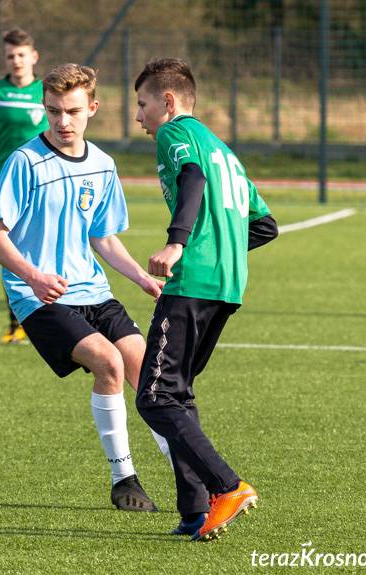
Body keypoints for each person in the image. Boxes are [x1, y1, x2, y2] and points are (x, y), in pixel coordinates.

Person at [0, 63, 171, 511]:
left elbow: (103, 237)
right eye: (52, 112)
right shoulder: (25, 162)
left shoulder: (103, 165)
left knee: (146, 371)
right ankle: (124, 478)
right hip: (38, 297)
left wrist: (142, 278)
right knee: (107, 362)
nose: (62, 122)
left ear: (92, 107)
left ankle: (188, 471)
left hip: (93, 291)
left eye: (71, 111)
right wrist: (33, 275)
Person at [132, 58, 279, 540]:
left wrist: (179, 242)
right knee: (177, 394)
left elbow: (191, 179)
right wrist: (221, 249)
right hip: (227, 286)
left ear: (168, 102)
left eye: (143, 104)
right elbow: (264, 224)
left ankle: (227, 487)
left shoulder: (177, 136)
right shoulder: (226, 152)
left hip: (192, 283)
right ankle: (195, 510)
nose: (139, 116)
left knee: (154, 397)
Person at [0, 28, 48, 344]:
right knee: (7, 250)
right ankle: (16, 322)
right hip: (3, 182)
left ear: (33, 56)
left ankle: (50, 317)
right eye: (10, 56)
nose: (16, 61)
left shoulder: (47, 91)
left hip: (42, 183)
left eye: (21, 54)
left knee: (44, 248)